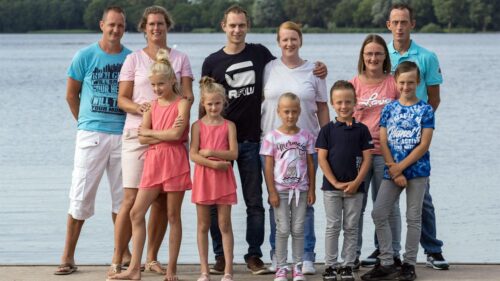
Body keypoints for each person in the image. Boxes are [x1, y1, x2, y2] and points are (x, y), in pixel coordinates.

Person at [201, 5, 327, 274]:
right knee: (214, 202)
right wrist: (200, 138)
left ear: (248, 26)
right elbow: (205, 102)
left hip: (251, 141)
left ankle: (255, 255)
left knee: (255, 202)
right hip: (219, 141)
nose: (237, 30)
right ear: (223, 26)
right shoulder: (212, 61)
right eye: (232, 25)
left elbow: (289, 66)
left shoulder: (261, 56)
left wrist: (319, 69)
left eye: (241, 25)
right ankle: (220, 256)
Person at [109, 5, 194, 277]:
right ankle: (119, 258)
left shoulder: (180, 58)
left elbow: (188, 96)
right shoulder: (133, 60)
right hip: (137, 133)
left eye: (160, 24)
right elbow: (122, 98)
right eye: (151, 24)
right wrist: (143, 109)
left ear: (167, 26)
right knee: (131, 199)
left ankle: (152, 259)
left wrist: (178, 121)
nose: (156, 28)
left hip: (169, 142)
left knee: (161, 203)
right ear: (144, 28)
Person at [54, 6, 131, 275]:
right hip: (92, 135)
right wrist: (84, 123)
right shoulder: (85, 56)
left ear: (124, 27)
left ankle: (122, 254)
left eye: (120, 25)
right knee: (80, 196)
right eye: (111, 24)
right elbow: (70, 94)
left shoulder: (130, 59)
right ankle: (68, 256)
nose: (115, 30)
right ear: (102, 25)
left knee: (124, 200)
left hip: (124, 135)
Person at [261, 21, 329, 275]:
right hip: (272, 146)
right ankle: (277, 258)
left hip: (306, 145)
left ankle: (306, 257)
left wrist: (327, 138)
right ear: (278, 42)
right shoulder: (269, 68)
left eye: (293, 39)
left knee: (305, 203)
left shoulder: (314, 70)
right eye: (284, 40)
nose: (289, 44)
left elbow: (322, 106)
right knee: (274, 202)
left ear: (300, 40)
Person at [384, 3, 448, 270]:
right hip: (386, 136)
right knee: (384, 198)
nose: (399, 27)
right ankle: (384, 250)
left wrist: (415, 125)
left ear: (412, 24)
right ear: (388, 25)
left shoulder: (427, 56)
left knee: (422, 199)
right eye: (395, 22)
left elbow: (433, 99)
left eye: (404, 22)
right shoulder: (381, 54)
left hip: (413, 138)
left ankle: (432, 249)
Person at [361, 61, 435, 281]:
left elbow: (423, 145)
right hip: (392, 169)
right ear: (395, 82)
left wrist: (400, 168)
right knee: (379, 213)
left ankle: (409, 265)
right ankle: (387, 261)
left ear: (418, 82)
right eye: (402, 82)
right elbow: (382, 139)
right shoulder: (390, 108)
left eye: (411, 82)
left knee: (414, 217)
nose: (406, 86)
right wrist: (394, 168)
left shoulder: (425, 110)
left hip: (417, 171)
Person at [351, 34, 401, 269]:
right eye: (369, 53)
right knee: (356, 207)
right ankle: (353, 256)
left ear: (385, 56)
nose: (373, 58)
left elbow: (406, 115)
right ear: (362, 55)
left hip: (386, 153)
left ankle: (391, 255)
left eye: (378, 53)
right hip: (360, 154)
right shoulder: (354, 84)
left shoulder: (393, 83)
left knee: (387, 208)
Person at [316, 81, 373, 281]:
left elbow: (368, 158)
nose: (343, 106)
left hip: (355, 189)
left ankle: (348, 265)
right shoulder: (327, 131)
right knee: (332, 226)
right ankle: (331, 265)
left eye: (348, 102)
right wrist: (335, 182)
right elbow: (322, 159)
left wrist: (357, 182)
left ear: (355, 102)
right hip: (331, 189)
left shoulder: (362, 130)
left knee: (351, 227)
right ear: (332, 103)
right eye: (339, 102)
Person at [261, 93, 316, 281]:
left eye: (294, 111)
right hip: (281, 191)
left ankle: (298, 267)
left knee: (299, 229)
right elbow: (268, 166)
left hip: (300, 190)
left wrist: (311, 189)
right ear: (278, 112)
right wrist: (272, 192)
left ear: (300, 111)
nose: (290, 115)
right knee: (282, 229)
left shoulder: (306, 136)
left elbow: (310, 164)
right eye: (286, 112)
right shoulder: (272, 137)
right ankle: (281, 267)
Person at [190, 77, 238, 281]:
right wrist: (213, 163)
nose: (213, 107)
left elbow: (234, 153)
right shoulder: (197, 126)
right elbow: (193, 154)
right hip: (204, 178)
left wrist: (210, 151)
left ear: (223, 102)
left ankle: (228, 270)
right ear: (203, 103)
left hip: (223, 180)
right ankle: (204, 270)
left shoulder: (229, 126)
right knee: (203, 225)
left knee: (224, 224)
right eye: (209, 104)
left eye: (217, 103)